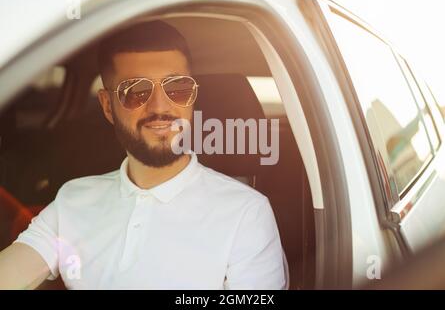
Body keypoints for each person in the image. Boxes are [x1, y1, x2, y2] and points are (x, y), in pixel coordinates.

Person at [0, 21, 286, 289]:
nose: (160, 107)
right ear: (108, 106)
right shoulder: (73, 199)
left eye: (177, 88)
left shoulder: (247, 214)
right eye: (135, 91)